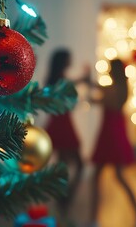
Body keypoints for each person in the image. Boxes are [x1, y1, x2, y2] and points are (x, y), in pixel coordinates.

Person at [90, 59, 136, 227]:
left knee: (104, 177)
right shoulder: (121, 88)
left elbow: (103, 99)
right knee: (118, 176)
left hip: (110, 134)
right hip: (115, 132)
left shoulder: (114, 89)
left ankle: (95, 220)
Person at [44, 48, 86, 217]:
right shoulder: (62, 81)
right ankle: (65, 196)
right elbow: (71, 98)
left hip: (57, 123)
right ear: (64, 61)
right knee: (78, 164)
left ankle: (62, 196)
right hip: (64, 124)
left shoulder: (55, 79)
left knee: (63, 164)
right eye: (69, 58)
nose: (72, 60)